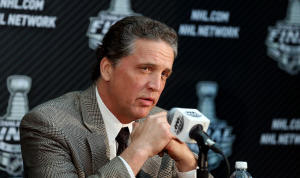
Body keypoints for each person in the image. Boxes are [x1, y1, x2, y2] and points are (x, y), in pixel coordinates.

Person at [20, 16, 213, 178]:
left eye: (164, 74)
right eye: (146, 69)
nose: (156, 86)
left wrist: (187, 164)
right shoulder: (48, 124)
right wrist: (140, 149)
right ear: (107, 69)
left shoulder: (163, 123)